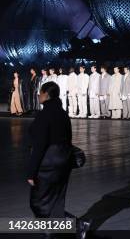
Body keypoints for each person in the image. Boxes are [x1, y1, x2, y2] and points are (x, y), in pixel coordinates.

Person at [27, 81, 72, 218]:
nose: (38, 95)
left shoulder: (44, 114)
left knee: (39, 202)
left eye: (40, 92)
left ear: (46, 95)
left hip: (49, 162)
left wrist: (31, 172)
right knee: (57, 201)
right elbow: (69, 137)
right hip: (64, 160)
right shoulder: (63, 113)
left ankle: (77, 226)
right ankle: (58, 232)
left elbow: (40, 145)